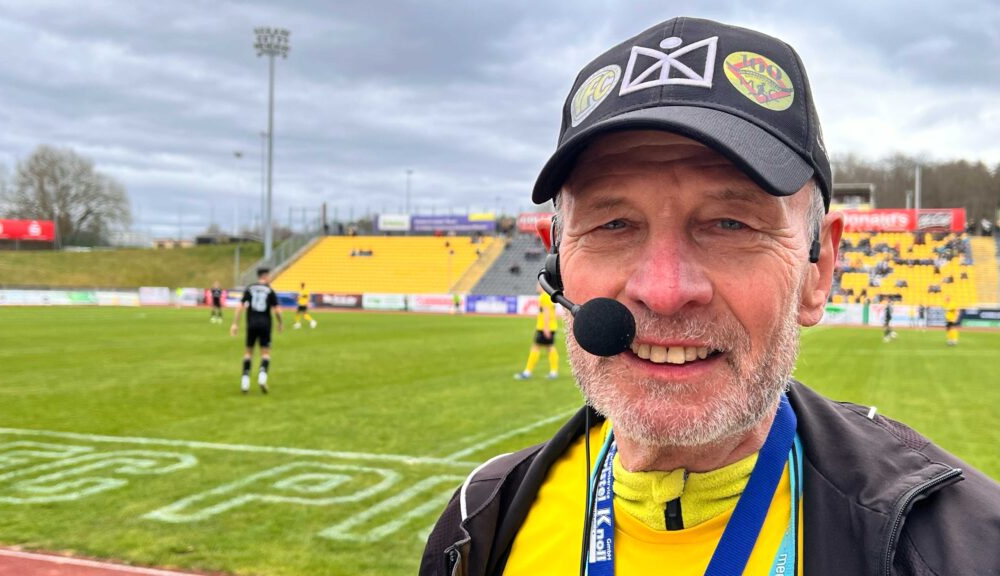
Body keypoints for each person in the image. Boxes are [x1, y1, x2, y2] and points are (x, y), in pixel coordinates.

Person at [421, 17, 1000, 576]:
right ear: (558, 261)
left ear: (818, 267)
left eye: (730, 224)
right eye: (613, 225)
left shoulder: (968, 551)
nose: (666, 292)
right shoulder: (478, 523)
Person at [230, 267, 282, 394]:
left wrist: (235, 324)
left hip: (251, 324)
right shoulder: (270, 290)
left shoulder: (250, 288)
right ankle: (262, 378)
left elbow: (240, 307)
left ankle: (245, 382)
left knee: (248, 353)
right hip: (265, 324)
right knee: (265, 353)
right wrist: (280, 322)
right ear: (265, 276)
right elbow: (277, 310)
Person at [514, 284, 559, 380]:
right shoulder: (548, 296)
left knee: (537, 347)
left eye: (538, 285)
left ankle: (528, 372)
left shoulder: (544, 297)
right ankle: (553, 372)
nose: (537, 286)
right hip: (550, 327)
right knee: (550, 348)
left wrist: (546, 328)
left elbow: (546, 313)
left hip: (544, 328)